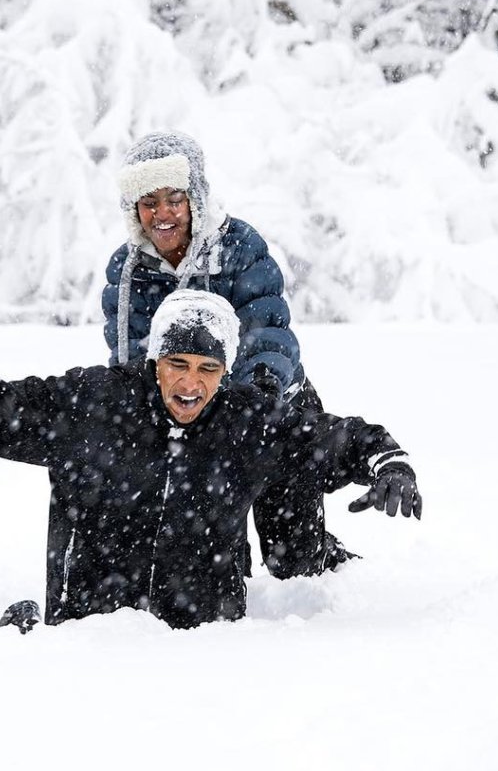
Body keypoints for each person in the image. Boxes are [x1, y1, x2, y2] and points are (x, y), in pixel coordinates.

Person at [0, 290, 420, 630]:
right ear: (155, 362)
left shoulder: (248, 423)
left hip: (204, 650)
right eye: (177, 364)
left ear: (225, 372)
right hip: (88, 638)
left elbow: (341, 438)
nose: (191, 384)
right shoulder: (96, 401)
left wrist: (389, 464)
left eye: (208, 368)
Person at [102, 130, 348, 575]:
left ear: (194, 198)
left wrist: (257, 395)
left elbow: (267, 329)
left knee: (292, 560)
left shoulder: (239, 247)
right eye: (149, 202)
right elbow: (133, 356)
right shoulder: (128, 270)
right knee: (211, 560)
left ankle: (327, 560)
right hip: (193, 419)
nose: (162, 214)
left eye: (173, 199)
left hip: (270, 406)